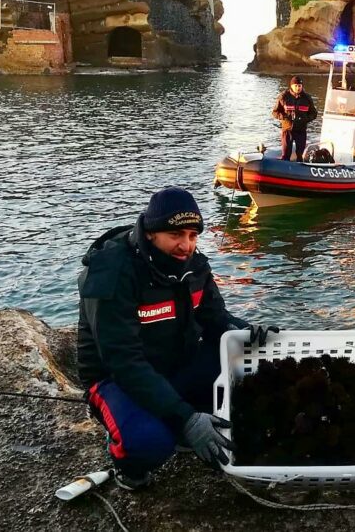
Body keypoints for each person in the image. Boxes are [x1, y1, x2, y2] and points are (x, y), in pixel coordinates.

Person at [77, 186, 279, 490]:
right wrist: (185, 417)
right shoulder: (114, 271)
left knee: (248, 363)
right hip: (117, 379)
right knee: (150, 442)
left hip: (175, 363)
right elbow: (122, 361)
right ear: (150, 233)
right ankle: (126, 463)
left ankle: (183, 425)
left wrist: (244, 330)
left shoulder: (195, 265)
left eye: (193, 236)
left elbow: (215, 319)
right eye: (176, 236)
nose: (186, 245)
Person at [271, 75, 318, 161]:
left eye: (299, 86)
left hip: (301, 130)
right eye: (296, 85)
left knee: (301, 154)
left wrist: (306, 119)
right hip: (287, 129)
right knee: (285, 154)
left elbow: (314, 113)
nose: (298, 88)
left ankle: (300, 170)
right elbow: (275, 112)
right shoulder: (283, 97)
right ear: (291, 86)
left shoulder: (307, 98)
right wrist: (284, 117)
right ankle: (284, 170)